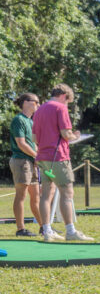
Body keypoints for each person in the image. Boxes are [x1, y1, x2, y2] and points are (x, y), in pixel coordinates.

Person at [33, 84, 93, 242]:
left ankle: (47, 231)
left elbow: (33, 138)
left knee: (46, 195)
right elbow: (66, 133)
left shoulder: (39, 110)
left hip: (43, 158)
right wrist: (75, 136)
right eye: (68, 101)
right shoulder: (60, 108)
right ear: (64, 96)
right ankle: (70, 231)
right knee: (67, 194)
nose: (68, 105)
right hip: (58, 157)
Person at [8, 93, 42, 237]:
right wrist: (36, 155)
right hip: (21, 161)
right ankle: (20, 229)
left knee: (36, 197)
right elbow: (21, 143)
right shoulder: (18, 120)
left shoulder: (31, 121)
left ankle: (44, 227)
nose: (38, 105)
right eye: (36, 102)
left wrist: (39, 156)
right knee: (21, 195)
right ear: (26, 102)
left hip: (31, 162)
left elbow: (33, 143)